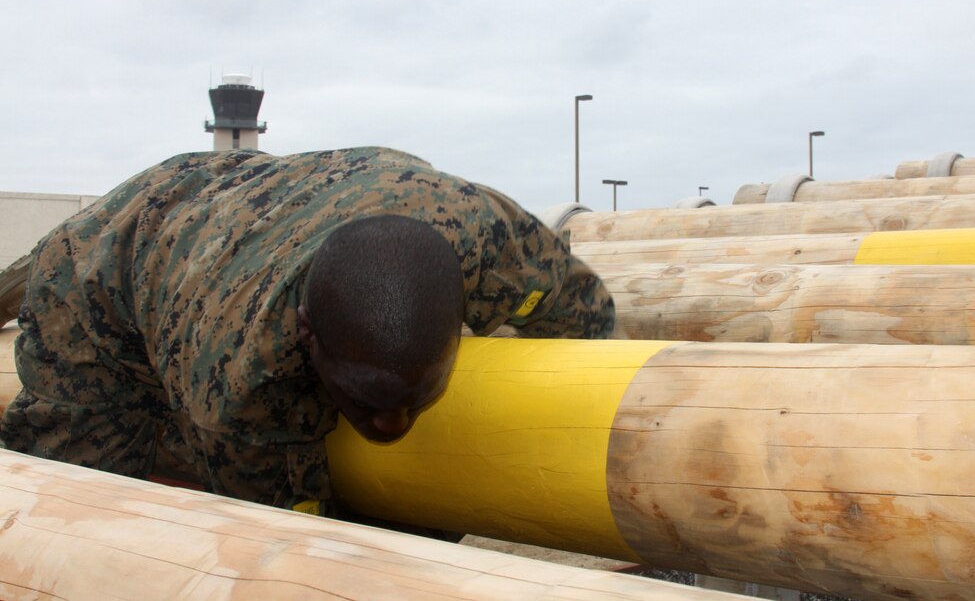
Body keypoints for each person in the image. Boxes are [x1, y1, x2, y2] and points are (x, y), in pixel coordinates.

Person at [0, 146, 615, 517]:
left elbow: (584, 311)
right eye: (367, 400)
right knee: (73, 504)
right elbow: (288, 533)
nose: (393, 429)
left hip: (253, 197)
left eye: (418, 397)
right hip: (107, 273)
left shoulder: (488, 239)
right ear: (306, 336)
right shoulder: (239, 378)